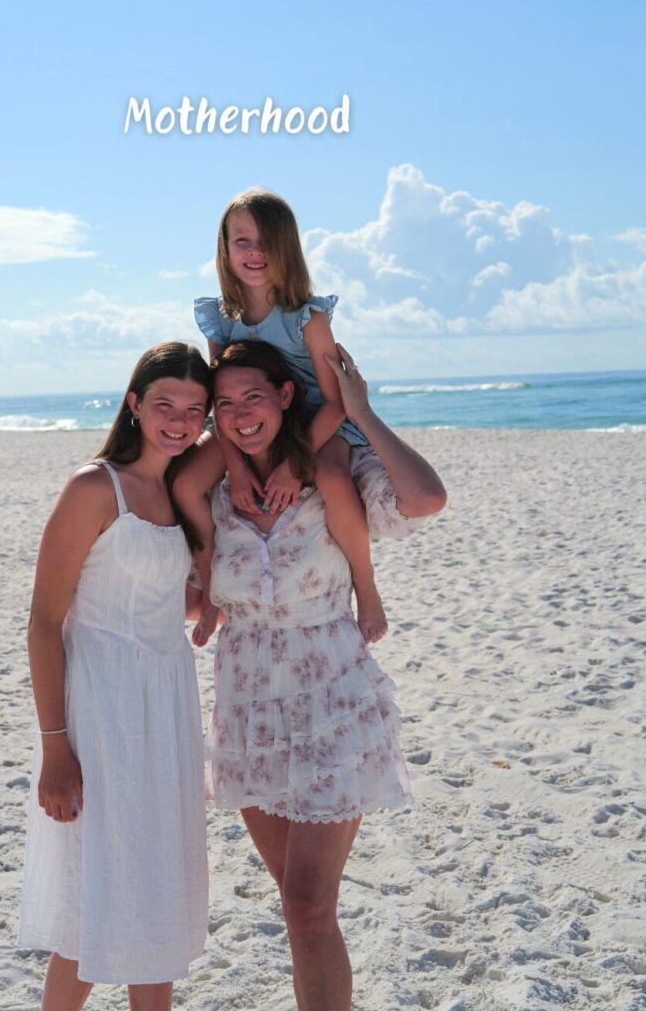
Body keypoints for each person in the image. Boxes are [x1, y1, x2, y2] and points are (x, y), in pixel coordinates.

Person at [189, 339, 446, 1011]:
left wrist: (361, 407)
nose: (241, 413)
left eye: (254, 396)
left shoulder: (334, 469)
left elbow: (425, 499)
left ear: (283, 398)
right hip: (247, 710)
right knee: (302, 908)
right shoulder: (211, 493)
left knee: (306, 906)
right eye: (225, 403)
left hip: (331, 699)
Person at [18, 342, 212, 1011]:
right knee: (91, 903)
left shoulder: (182, 492)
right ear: (134, 404)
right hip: (101, 714)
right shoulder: (93, 487)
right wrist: (55, 747)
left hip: (166, 714)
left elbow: (164, 602)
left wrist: (213, 597)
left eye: (194, 408)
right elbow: (44, 622)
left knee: (153, 899)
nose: (179, 420)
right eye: (164, 404)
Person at [175, 187, 389, 649]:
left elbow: (335, 403)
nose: (255, 252)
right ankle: (209, 588)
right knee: (187, 483)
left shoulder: (306, 316)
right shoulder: (221, 318)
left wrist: (295, 463)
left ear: (287, 248)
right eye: (242, 241)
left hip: (317, 423)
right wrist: (234, 466)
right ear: (225, 249)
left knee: (331, 476)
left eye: (267, 241)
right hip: (250, 420)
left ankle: (366, 587)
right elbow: (220, 399)